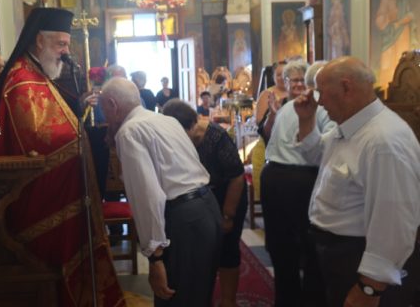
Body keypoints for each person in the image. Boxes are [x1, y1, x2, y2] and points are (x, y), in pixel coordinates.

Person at [0, 8, 125, 306]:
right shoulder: (22, 79)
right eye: (61, 44)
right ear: (40, 40)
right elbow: (38, 137)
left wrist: (79, 113)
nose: (66, 51)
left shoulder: (37, 73)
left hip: (59, 190)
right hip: (38, 198)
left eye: (67, 44)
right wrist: (79, 139)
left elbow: (57, 118)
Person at [294, 56, 420, 307]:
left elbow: (394, 224)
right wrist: (306, 120)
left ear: (346, 88)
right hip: (333, 253)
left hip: (356, 260)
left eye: (321, 92)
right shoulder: (349, 127)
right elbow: (316, 154)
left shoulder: (382, 141)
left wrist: (369, 288)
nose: (318, 101)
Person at [100, 77, 223, 307]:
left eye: (103, 110)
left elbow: (147, 198)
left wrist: (155, 258)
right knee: (200, 296)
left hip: (185, 221)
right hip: (207, 208)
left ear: (113, 105)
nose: (104, 118)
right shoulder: (167, 120)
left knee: (175, 299)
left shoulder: (129, 132)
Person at [260, 60, 334, 307]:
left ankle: (288, 299)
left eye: (303, 80)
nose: (300, 85)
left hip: (278, 177)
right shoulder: (316, 107)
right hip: (297, 178)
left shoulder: (293, 105)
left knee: (285, 246)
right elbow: (327, 149)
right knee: (304, 245)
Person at [162, 99, 247, 307]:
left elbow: (237, 176)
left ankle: (228, 301)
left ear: (193, 124)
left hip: (229, 195)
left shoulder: (216, 137)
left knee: (227, 250)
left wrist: (227, 215)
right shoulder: (174, 135)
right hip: (202, 199)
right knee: (202, 252)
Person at [375, 0, 418, 92]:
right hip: (391, 33)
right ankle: (387, 88)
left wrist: (408, 17)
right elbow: (379, 19)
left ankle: (407, 85)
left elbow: (409, 12)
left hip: (403, 32)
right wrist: (389, 17)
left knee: (403, 57)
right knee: (389, 60)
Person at [255, 60, 288, 125]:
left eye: (285, 74)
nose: (282, 77)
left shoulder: (296, 92)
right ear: (273, 77)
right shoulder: (266, 95)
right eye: (279, 75)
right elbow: (259, 121)